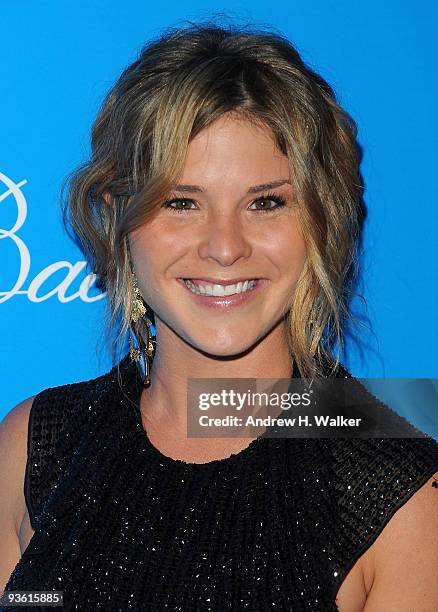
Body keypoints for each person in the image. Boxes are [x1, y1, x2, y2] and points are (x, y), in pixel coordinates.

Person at [1, 19, 437, 612]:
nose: (225, 247)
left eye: (265, 203)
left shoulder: (403, 493)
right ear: (117, 218)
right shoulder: (36, 442)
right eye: (181, 202)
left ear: (321, 220)